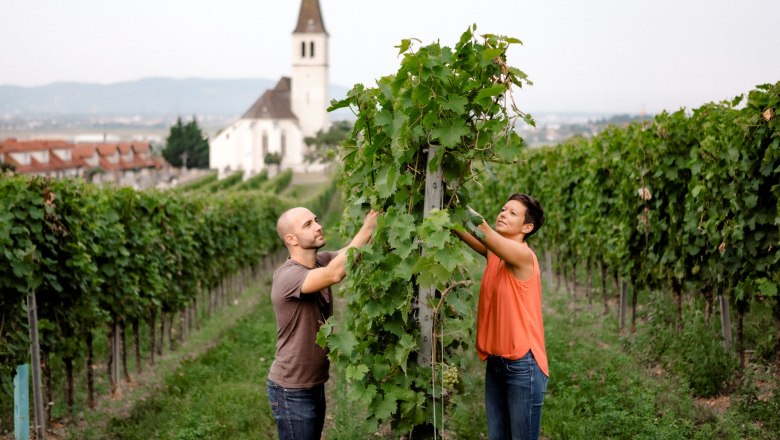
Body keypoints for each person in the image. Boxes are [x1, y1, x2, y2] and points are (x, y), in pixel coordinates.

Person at [267, 207, 378, 439]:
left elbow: (350, 253)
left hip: (313, 384)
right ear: (291, 239)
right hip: (292, 390)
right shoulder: (287, 276)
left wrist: (376, 224)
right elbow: (334, 274)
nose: (318, 226)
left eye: (316, 220)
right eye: (307, 224)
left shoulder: (320, 261)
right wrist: (367, 226)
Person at [453, 194, 549, 440]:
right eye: (503, 209)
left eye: (512, 213)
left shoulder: (522, 256)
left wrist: (451, 192)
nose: (503, 214)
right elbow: (455, 226)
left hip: (522, 366)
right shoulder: (494, 252)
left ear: (527, 228)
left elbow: (480, 226)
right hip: (496, 363)